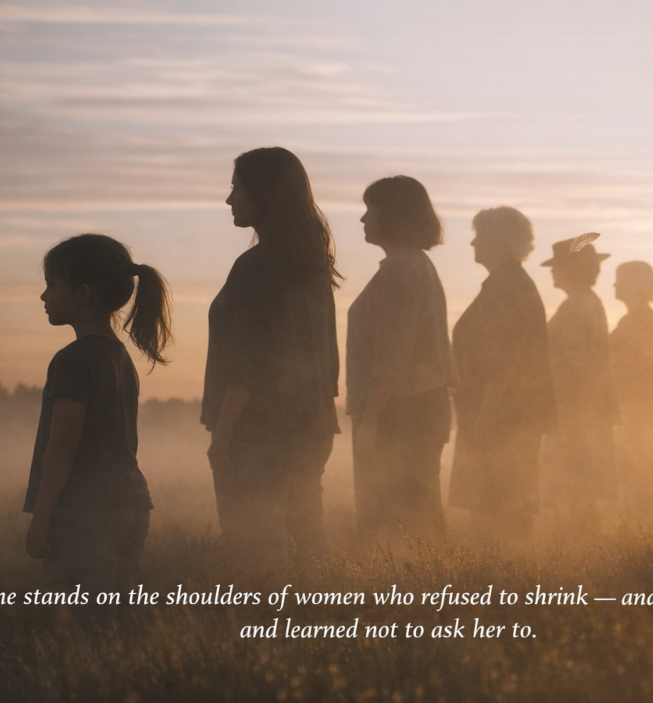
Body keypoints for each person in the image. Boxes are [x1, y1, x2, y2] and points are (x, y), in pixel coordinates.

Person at [201, 147, 341, 565]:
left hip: (257, 432)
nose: (229, 200)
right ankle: (313, 624)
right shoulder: (311, 266)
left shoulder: (257, 266)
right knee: (305, 547)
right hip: (309, 427)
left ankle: (261, 627)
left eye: (236, 189)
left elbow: (251, 361)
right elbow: (325, 360)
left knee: (252, 551)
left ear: (265, 194)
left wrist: (224, 434)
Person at [24, 233, 172, 619]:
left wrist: (41, 516)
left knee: (83, 624)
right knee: (118, 619)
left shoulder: (73, 360)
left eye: (51, 285)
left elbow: (62, 445)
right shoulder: (119, 357)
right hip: (129, 504)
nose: (43, 296)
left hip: (85, 513)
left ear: (83, 293)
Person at [346, 176, 455, 544]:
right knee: (419, 514)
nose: (363, 220)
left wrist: (370, 420)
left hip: (399, 411)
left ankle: (406, 596)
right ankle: (433, 590)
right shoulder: (418, 264)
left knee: (392, 519)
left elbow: (393, 355)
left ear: (393, 216)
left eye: (370, 211)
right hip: (421, 406)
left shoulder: (399, 269)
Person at [448, 207, 556, 542]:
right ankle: (507, 580)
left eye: (480, 235)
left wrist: (488, 412)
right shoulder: (508, 282)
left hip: (501, 416)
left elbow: (509, 358)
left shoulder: (506, 285)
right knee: (502, 504)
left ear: (499, 241)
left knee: (496, 505)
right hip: (504, 413)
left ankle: (503, 585)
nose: (473, 243)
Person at [541, 235, 616, 527]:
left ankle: (580, 547)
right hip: (588, 408)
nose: (552, 272)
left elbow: (573, 364)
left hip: (575, 410)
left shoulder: (574, 306)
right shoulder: (590, 302)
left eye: (557, 266)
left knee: (575, 481)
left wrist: (564, 406)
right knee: (583, 483)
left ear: (570, 270)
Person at [610, 260, 653, 515]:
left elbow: (642, 365)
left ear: (633, 285)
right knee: (638, 475)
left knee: (639, 475)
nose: (614, 284)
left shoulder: (639, 319)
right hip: (642, 406)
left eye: (619, 279)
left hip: (640, 408)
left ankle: (643, 538)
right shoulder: (641, 317)